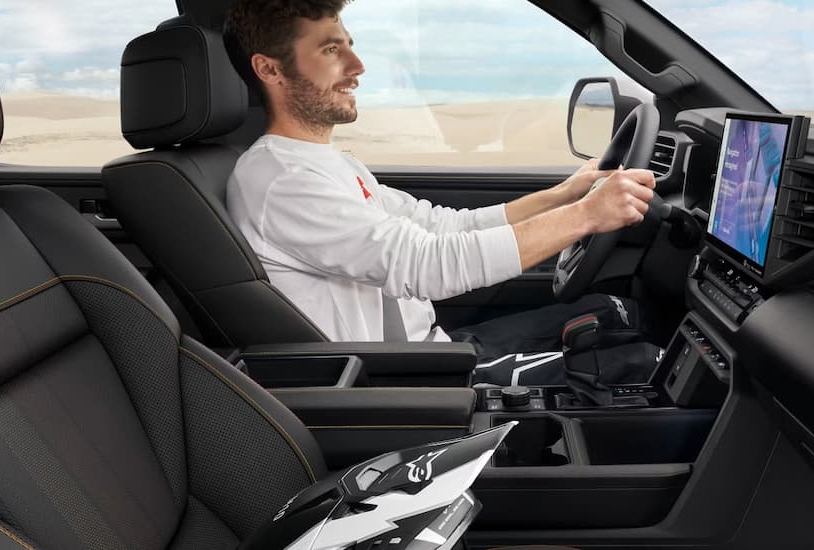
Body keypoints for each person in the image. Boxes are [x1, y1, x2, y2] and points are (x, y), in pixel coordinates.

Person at [224, 0, 659, 385]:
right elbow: (426, 265)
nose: (357, 67)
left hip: (431, 351)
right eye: (331, 49)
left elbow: (442, 225)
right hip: (407, 380)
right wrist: (586, 216)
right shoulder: (282, 180)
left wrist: (566, 195)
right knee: (644, 364)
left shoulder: (326, 163)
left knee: (613, 310)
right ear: (270, 69)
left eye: (348, 45)